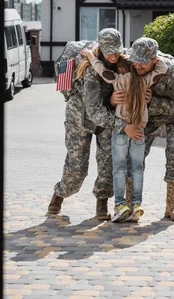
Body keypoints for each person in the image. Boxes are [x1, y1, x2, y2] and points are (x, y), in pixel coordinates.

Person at [80, 39, 167, 222]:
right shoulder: (145, 81)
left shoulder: (117, 80)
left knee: (118, 169)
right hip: (139, 131)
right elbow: (162, 69)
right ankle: (136, 204)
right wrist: (156, 59)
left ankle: (120, 205)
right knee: (137, 169)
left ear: (119, 70)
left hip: (121, 131)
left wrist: (89, 55)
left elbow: (100, 69)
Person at [111, 38, 174, 221]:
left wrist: (152, 100)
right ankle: (132, 206)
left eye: (143, 61)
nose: (138, 65)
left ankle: (172, 207)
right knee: (134, 156)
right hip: (146, 115)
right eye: (136, 60)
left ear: (154, 59)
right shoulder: (130, 66)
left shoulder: (172, 71)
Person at [47, 28, 125, 220]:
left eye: (117, 50)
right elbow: (92, 110)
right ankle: (60, 194)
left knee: (108, 164)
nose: (113, 55)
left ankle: (102, 203)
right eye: (109, 51)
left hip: (107, 116)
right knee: (77, 168)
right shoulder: (89, 69)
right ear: (101, 49)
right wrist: (121, 124)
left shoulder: (123, 62)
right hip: (80, 118)